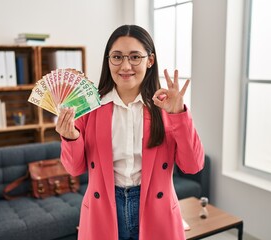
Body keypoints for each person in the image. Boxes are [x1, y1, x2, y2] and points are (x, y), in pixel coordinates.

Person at [56, 25, 204, 240]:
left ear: (150, 60)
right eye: (117, 57)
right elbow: (74, 168)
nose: (125, 66)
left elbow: (193, 165)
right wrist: (70, 137)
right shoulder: (89, 106)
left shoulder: (166, 107)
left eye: (135, 57)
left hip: (155, 210)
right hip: (104, 210)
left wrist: (179, 115)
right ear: (108, 60)